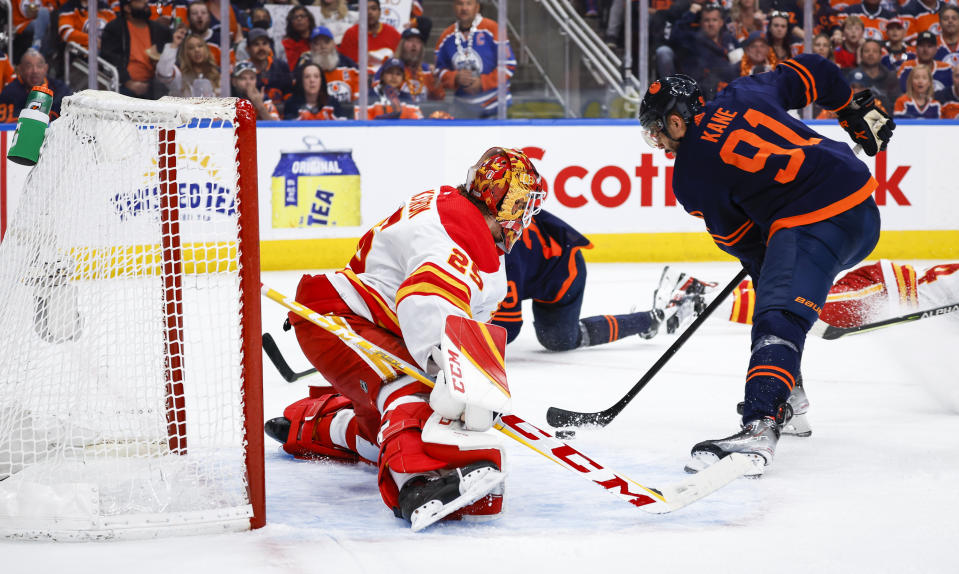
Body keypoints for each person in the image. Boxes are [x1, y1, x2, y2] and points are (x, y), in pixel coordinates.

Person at [263, 148, 546, 529]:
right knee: (414, 389)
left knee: (385, 425)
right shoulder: (461, 236)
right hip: (342, 320)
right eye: (521, 204)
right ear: (505, 201)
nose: (524, 217)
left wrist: (476, 382)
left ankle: (310, 426)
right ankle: (417, 483)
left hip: (363, 319)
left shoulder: (453, 205)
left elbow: (458, 316)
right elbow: (425, 300)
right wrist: (452, 370)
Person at [638, 53, 893, 476]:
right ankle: (790, 396)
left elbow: (748, 246)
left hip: (815, 220)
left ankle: (760, 424)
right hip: (860, 205)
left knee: (777, 315)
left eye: (657, 131)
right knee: (781, 307)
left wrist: (777, 295)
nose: (659, 142)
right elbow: (815, 70)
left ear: (677, 122)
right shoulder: (742, 92)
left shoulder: (689, 177)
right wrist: (849, 105)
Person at [491, 209, 713, 350]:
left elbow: (506, 329)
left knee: (559, 340)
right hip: (533, 262)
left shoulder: (504, 259)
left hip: (560, 270)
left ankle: (650, 318)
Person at [727, 260, 959, 330]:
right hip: (883, 288)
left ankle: (708, 290)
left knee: (796, 298)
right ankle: (701, 299)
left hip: (890, 290)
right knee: (802, 307)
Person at [435, 0, 516, 118]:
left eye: (469, 3)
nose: (464, 8)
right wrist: (455, 77)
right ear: (454, 7)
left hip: (496, 106)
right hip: (462, 109)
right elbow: (438, 70)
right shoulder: (446, 36)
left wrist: (483, 82)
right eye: (460, 4)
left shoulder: (493, 29)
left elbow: (509, 65)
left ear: (477, 7)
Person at [101, 0, 172, 99]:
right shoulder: (115, 27)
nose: (146, 2)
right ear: (127, 8)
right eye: (140, 1)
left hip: (154, 84)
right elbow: (110, 57)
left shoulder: (160, 30)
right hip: (124, 85)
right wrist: (129, 82)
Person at [0, 49, 72, 122]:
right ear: (20, 70)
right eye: (29, 66)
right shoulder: (9, 93)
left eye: (39, 66)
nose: (35, 71)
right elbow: (7, 127)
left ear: (46, 68)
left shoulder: (61, 91)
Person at [338, 0, 401, 73]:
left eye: (373, 9)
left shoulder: (393, 34)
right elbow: (347, 66)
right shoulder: (351, 34)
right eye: (365, 9)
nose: (370, 12)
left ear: (380, 12)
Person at [156, 28, 222, 97]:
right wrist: (174, 45)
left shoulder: (217, 75)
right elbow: (164, 73)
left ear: (206, 49)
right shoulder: (179, 76)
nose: (197, 50)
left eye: (200, 46)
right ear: (186, 53)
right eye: (191, 48)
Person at [395, 20, 445, 103]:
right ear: (401, 45)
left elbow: (439, 98)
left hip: (423, 113)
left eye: (418, 42)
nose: (414, 45)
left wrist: (437, 83)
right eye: (410, 40)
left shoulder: (428, 71)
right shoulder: (391, 68)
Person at [846, 38, 900, 112]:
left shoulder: (890, 77)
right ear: (861, 55)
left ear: (881, 55)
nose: (870, 54)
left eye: (875, 51)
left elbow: (895, 103)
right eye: (867, 51)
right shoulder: (852, 76)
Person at [360, 57, 424, 119]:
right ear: (382, 75)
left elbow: (418, 121)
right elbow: (361, 123)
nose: (394, 77)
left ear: (403, 78)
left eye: (398, 74)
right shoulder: (369, 95)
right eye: (390, 72)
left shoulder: (406, 97)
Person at [247, 28, 294, 104]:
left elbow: (289, 96)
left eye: (264, 43)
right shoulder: (244, 71)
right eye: (256, 44)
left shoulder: (282, 66)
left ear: (269, 46)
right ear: (248, 49)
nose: (261, 48)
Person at [283, 5, 317, 72]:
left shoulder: (318, 40)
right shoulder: (287, 44)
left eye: (302, 16)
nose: (299, 19)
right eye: (295, 17)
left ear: (309, 19)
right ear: (291, 23)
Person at [935, 5, 959, 69]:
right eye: (946, 19)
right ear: (940, 23)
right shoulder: (933, 44)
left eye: (954, 18)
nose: (950, 21)